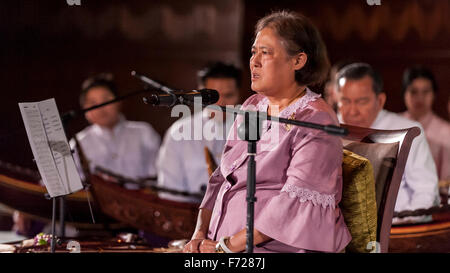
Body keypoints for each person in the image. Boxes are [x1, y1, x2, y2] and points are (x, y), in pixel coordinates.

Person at [183, 10, 351, 253]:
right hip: (222, 243)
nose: (255, 61)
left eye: (266, 53)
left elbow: (294, 203)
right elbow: (222, 177)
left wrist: (225, 248)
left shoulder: (315, 118)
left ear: (298, 61)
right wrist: (199, 233)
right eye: (254, 52)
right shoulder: (253, 105)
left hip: (278, 247)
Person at [335, 62, 440, 217]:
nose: (352, 111)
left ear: (380, 100)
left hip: (397, 227)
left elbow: (425, 191)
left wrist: (403, 228)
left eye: (361, 101)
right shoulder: (328, 128)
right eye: (345, 101)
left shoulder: (407, 131)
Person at [156, 62, 241, 203]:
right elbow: (169, 189)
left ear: (239, 93)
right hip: (189, 214)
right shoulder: (179, 132)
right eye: (213, 97)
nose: (221, 103)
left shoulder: (253, 129)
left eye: (228, 95)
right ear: (200, 94)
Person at [70, 73, 161, 188]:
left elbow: (158, 176)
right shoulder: (78, 143)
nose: (101, 107)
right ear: (84, 110)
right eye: (93, 103)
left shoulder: (144, 132)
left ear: (118, 101)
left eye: (106, 100)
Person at [401, 66, 450, 203]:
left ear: (433, 94)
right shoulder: (393, 127)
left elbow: (446, 182)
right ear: (404, 94)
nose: (419, 98)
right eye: (414, 92)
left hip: (434, 202)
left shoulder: (446, 131)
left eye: (425, 92)